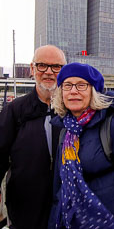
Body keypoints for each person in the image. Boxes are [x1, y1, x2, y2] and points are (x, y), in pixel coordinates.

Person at [49, 62, 114, 228]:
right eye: (67, 85)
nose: (73, 91)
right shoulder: (66, 132)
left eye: (81, 85)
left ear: (93, 91)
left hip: (111, 221)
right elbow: (59, 188)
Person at [0, 45, 67, 228]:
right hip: (24, 209)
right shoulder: (14, 111)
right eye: (42, 66)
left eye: (56, 67)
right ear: (32, 69)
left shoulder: (72, 111)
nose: (48, 72)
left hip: (66, 207)